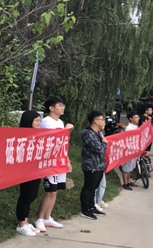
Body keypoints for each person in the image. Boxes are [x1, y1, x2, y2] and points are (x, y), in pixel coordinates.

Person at [34, 98, 73, 233]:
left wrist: (67, 161)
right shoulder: (46, 122)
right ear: (51, 108)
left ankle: (47, 217)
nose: (63, 107)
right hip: (49, 161)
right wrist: (66, 130)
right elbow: (55, 138)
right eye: (60, 105)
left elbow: (63, 144)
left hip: (59, 160)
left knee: (55, 191)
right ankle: (39, 218)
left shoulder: (60, 122)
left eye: (63, 105)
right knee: (49, 190)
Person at [15, 111, 42, 237]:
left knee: (32, 196)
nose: (39, 123)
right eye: (36, 121)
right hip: (26, 171)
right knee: (26, 196)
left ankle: (26, 222)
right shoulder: (22, 136)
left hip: (36, 170)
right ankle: (21, 224)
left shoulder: (38, 134)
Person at [80, 111, 108, 220]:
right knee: (88, 187)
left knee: (94, 188)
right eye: (102, 119)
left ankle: (91, 206)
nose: (104, 121)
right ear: (95, 121)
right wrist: (104, 143)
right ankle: (85, 210)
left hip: (99, 165)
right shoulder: (88, 133)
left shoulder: (98, 132)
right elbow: (99, 149)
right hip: (91, 165)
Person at [120, 111, 140, 190]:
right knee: (126, 168)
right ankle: (125, 183)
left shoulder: (135, 126)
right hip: (129, 150)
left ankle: (128, 181)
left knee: (131, 167)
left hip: (134, 149)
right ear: (130, 119)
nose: (137, 119)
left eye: (138, 117)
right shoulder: (129, 128)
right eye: (135, 117)